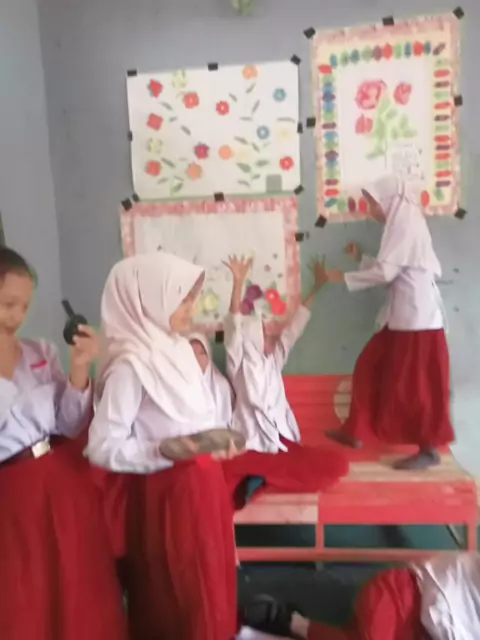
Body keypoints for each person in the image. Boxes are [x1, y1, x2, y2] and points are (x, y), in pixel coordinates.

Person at [87, 251, 240, 640]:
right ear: (150, 299)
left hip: (205, 485)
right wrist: (161, 451)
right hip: (169, 495)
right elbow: (102, 445)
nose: (191, 309)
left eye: (191, 299)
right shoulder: (130, 365)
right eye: (182, 299)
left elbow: (199, 418)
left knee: (214, 583)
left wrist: (217, 444)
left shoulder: (180, 351)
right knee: (181, 591)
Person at [0, 246, 127, 640]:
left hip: (60, 482)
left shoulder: (40, 352)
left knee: (75, 582)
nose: (16, 317)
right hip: (12, 493)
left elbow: (70, 424)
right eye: (7, 304)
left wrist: (79, 368)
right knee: (26, 591)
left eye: (24, 306)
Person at [324, 175, 453, 470]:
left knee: (418, 388)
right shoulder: (400, 225)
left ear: (389, 201)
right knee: (369, 366)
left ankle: (428, 448)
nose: (370, 210)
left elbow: (386, 273)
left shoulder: (405, 224)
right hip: (403, 319)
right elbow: (392, 268)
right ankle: (355, 430)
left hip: (417, 323)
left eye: (373, 203)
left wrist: (341, 277)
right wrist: (361, 259)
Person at [221, 255, 349, 508]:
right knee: (233, 470)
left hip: (283, 443)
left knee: (338, 464)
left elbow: (294, 330)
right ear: (253, 338)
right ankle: (262, 477)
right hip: (251, 445)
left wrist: (318, 286)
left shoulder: (274, 361)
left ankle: (264, 479)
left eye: (267, 332)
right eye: (263, 332)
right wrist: (238, 283)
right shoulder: (239, 364)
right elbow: (233, 329)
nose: (269, 335)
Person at [242, 552, 480, 640]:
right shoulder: (466, 572)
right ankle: (291, 622)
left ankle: (291, 622)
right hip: (402, 595)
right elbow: (441, 602)